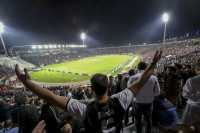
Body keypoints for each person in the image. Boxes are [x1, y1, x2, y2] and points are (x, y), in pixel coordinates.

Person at [15, 49, 162, 133]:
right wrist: (153, 63)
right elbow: (141, 81)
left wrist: (27, 83)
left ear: (91, 89)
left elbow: (52, 98)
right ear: (108, 86)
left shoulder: (85, 108)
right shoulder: (121, 99)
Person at [127, 62, 160, 133]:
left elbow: (129, 92)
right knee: (148, 119)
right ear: (146, 68)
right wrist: (149, 95)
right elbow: (157, 92)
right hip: (149, 102)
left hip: (137, 102)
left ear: (138, 68)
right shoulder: (153, 77)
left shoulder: (132, 78)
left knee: (137, 120)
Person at [181, 59, 200, 133]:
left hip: (193, 108)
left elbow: (185, 95)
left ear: (198, 68)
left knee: (186, 128)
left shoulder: (192, 80)